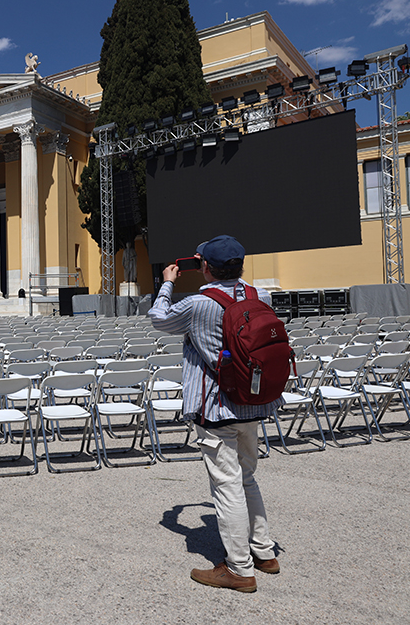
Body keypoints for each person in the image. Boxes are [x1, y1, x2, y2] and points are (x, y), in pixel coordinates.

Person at [148, 235, 281, 593]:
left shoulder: (198, 303)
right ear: (240, 264)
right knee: (248, 478)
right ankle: (264, 552)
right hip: (253, 402)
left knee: (226, 486)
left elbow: (158, 319)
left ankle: (239, 569)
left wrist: (167, 284)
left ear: (205, 266)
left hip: (216, 405)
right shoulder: (261, 296)